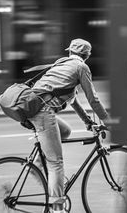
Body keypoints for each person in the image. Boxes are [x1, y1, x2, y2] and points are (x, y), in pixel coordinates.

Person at [29, 38, 109, 213]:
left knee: (65, 131)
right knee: (56, 163)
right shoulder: (81, 67)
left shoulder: (62, 64)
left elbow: (73, 100)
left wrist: (88, 121)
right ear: (87, 55)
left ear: (70, 52)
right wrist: (108, 121)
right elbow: (93, 100)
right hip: (43, 111)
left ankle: (37, 164)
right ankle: (57, 208)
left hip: (34, 107)